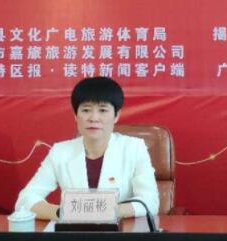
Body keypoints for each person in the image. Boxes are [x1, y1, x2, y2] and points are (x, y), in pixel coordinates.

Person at [15, 76, 159, 220]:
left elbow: (150, 201)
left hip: (120, 231)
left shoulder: (134, 148)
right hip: (73, 230)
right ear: (75, 115)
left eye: (103, 110)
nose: (94, 118)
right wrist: (63, 212)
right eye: (86, 110)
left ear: (116, 115)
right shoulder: (59, 152)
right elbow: (25, 200)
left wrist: (105, 211)